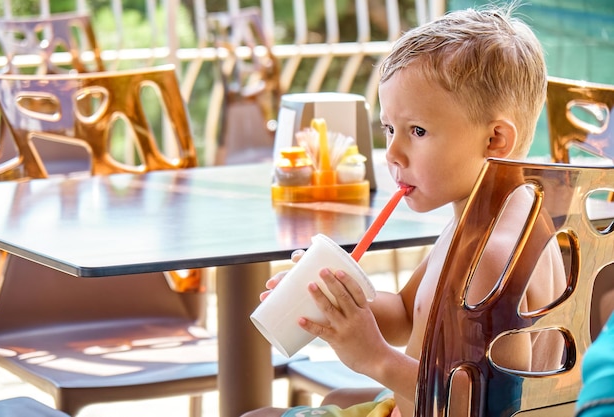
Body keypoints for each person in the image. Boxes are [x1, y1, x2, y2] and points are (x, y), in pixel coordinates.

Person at [243, 3, 567, 416]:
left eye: (417, 131)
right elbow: (404, 315)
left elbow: (486, 405)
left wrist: (374, 357)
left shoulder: (490, 259)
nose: (392, 152)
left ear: (495, 140)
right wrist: (340, 301)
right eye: (389, 129)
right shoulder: (490, 219)